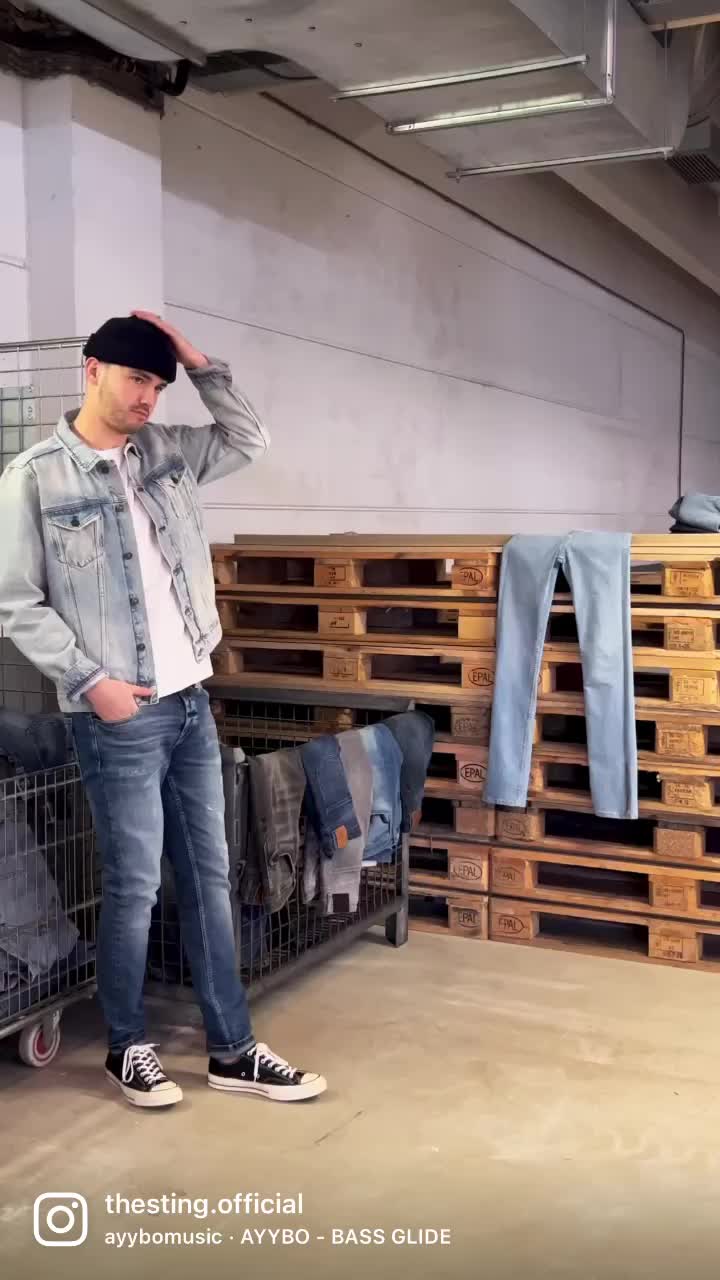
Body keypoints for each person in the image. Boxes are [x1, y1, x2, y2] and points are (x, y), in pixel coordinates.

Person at [0, 312, 327, 1109]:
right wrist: (91, 682)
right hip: (119, 715)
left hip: (189, 703)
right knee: (135, 885)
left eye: (158, 383)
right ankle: (128, 1046)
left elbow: (249, 438)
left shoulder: (167, 451)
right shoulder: (36, 477)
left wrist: (198, 362)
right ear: (92, 371)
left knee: (211, 878)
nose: (149, 397)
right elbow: (14, 601)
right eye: (137, 378)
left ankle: (232, 1050)